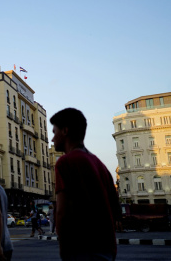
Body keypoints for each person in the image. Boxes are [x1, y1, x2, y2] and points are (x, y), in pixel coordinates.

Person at [51, 108, 120, 261]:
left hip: (80, 249)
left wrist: (64, 250)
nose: (52, 139)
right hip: (107, 249)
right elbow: (115, 209)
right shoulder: (99, 164)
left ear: (65, 131)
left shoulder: (65, 162)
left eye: (54, 132)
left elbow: (61, 213)